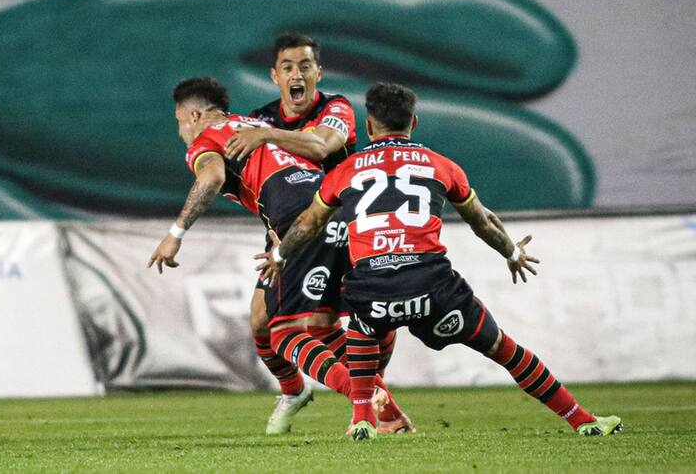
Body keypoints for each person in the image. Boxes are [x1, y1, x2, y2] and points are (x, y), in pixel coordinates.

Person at [257, 82, 623, 441]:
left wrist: (278, 255)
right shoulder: (441, 165)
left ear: (369, 126)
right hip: (432, 287)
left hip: (374, 292)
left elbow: (308, 223)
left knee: (361, 319)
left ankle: (362, 420)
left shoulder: (345, 171)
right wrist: (512, 252)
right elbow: (482, 220)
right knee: (503, 349)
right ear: (413, 123)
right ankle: (582, 420)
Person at [147, 77, 409, 434]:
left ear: (193, 115)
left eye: (179, 122)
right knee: (272, 318)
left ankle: (368, 399)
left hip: (297, 221)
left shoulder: (207, 140)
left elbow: (210, 179)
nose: (181, 132)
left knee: (283, 333)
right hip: (334, 208)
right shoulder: (258, 125)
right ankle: (297, 392)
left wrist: (175, 234)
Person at [223, 33, 402, 434]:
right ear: (274, 75)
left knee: (338, 323)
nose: (297, 74)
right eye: (288, 67)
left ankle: (376, 399)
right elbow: (254, 182)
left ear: (318, 72)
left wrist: (266, 136)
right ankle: (295, 390)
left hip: (343, 225)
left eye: (305, 66)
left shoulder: (334, 108)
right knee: (260, 320)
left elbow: (323, 147)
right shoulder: (260, 118)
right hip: (293, 233)